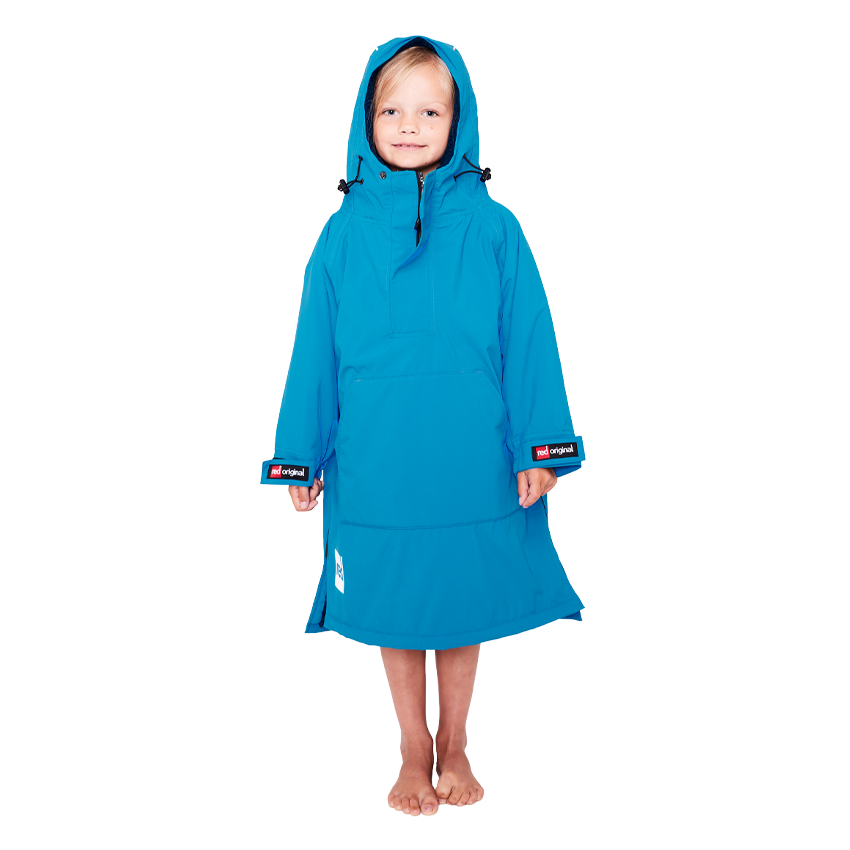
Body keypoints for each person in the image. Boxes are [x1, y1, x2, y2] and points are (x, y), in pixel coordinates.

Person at [261, 35, 586, 816]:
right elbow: (314, 348)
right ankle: (412, 745)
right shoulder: (341, 236)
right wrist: (302, 452)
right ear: (366, 121)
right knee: (397, 599)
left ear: (458, 120)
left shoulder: (495, 229)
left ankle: (455, 738)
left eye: (430, 111)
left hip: (473, 450)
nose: (410, 125)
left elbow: (528, 340)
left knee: (461, 594)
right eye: (393, 111)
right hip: (376, 454)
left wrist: (540, 448)